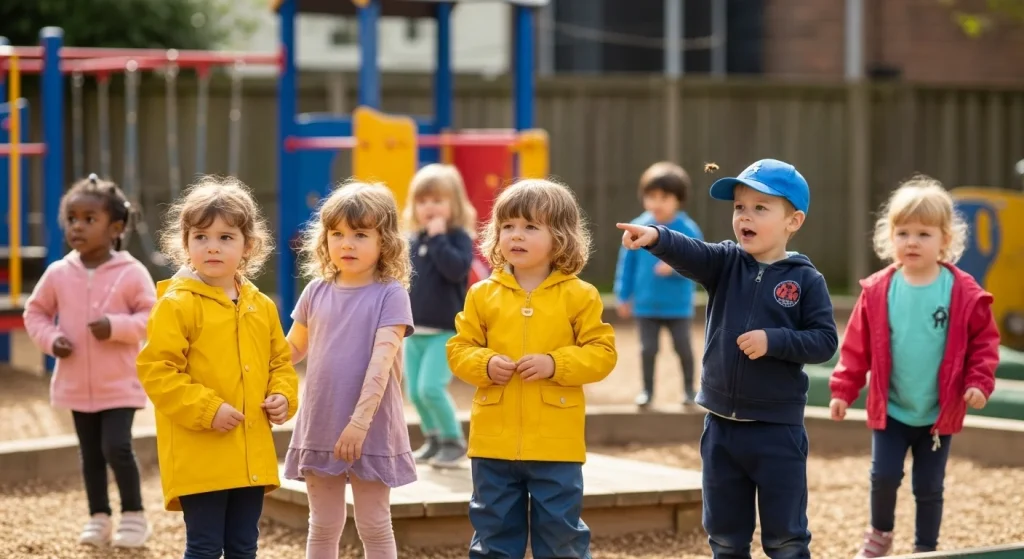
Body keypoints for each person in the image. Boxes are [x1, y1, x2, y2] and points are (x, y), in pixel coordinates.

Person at [617, 158, 839, 559]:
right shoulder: (725, 263)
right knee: (724, 538)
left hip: (777, 429)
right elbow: (689, 251)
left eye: (760, 207)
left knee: (786, 539)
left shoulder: (806, 280)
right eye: (739, 207)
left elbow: (824, 341)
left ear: (794, 221)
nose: (744, 216)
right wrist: (654, 236)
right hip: (720, 428)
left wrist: (775, 340)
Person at [829, 176, 999, 557]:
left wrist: (979, 383)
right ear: (889, 238)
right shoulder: (879, 290)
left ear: (945, 240)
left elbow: (983, 345)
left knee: (929, 485)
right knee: (883, 476)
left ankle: (926, 547)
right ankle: (880, 533)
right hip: (892, 409)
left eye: (923, 234)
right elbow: (855, 348)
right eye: (902, 232)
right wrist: (843, 390)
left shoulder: (962, 293)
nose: (911, 242)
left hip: (939, 412)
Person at [447, 178, 618, 559]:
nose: (516, 235)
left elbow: (602, 353)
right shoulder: (482, 294)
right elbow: (459, 349)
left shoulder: (580, 295)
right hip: (492, 442)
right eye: (507, 226)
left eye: (530, 226)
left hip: (556, 443)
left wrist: (555, 363)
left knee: (562, 539)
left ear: (559, 237)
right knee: (493, 536)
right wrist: (486, 363)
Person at [136, 176, 299, 559]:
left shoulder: (261, 306)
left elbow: (280, 362)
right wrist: (208, 409)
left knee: (244, 545)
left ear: (248, 246)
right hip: (201, 451)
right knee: (205, 546)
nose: (212, 247)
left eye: (226, 237)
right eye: (201, 237)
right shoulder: (178, 305)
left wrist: (282, 396)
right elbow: (158, 370)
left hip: (249, 452)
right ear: (185, 243)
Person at [285, 181, 417, 559]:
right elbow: (292, 348)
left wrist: (359, 424)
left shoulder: (390, 294)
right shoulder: (315, 291)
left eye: (360, 234)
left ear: (385, 241)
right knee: (322, 526)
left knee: (374, 524)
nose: (347, 243)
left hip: (371, 425)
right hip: (322, 421)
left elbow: (381, 364)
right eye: (337, 233)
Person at [24, 173, 155, 548]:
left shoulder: (132, 272)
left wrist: (115, 325)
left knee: (117, 446)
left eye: (89, 219)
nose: (77, 226)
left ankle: (134, 515)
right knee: (90, 454)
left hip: (120, 383)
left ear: (115, 228)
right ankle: (99, 517)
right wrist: (51, 340)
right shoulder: (58, 273)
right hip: (75, 384)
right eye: (72, 218)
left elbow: (151, 318)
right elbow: (35, 314)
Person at [402, 164, 476, 468]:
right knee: (415, 393)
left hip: (445, 331)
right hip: (415, 331)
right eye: (422, 201)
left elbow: (456, 269)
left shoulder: (458, 238)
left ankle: (453, 440)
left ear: (453, 205)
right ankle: (433, 439)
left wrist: (439, 239)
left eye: (437, 201)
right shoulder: (413, 241)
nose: (429, 207)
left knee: (431, 388)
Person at [614, 161, 703, 407]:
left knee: (683, 349)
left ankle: (689, 390)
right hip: (646, 305)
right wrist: (623, 295)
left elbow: (701, 265)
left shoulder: (688, 230)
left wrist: (675, 267)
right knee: (647, 350)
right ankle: (647, 391)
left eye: (664, 197)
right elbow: (627, 265)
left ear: (679, 199)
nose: (657, 203)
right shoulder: (638, 226)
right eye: (651, 196)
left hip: (677, 305)